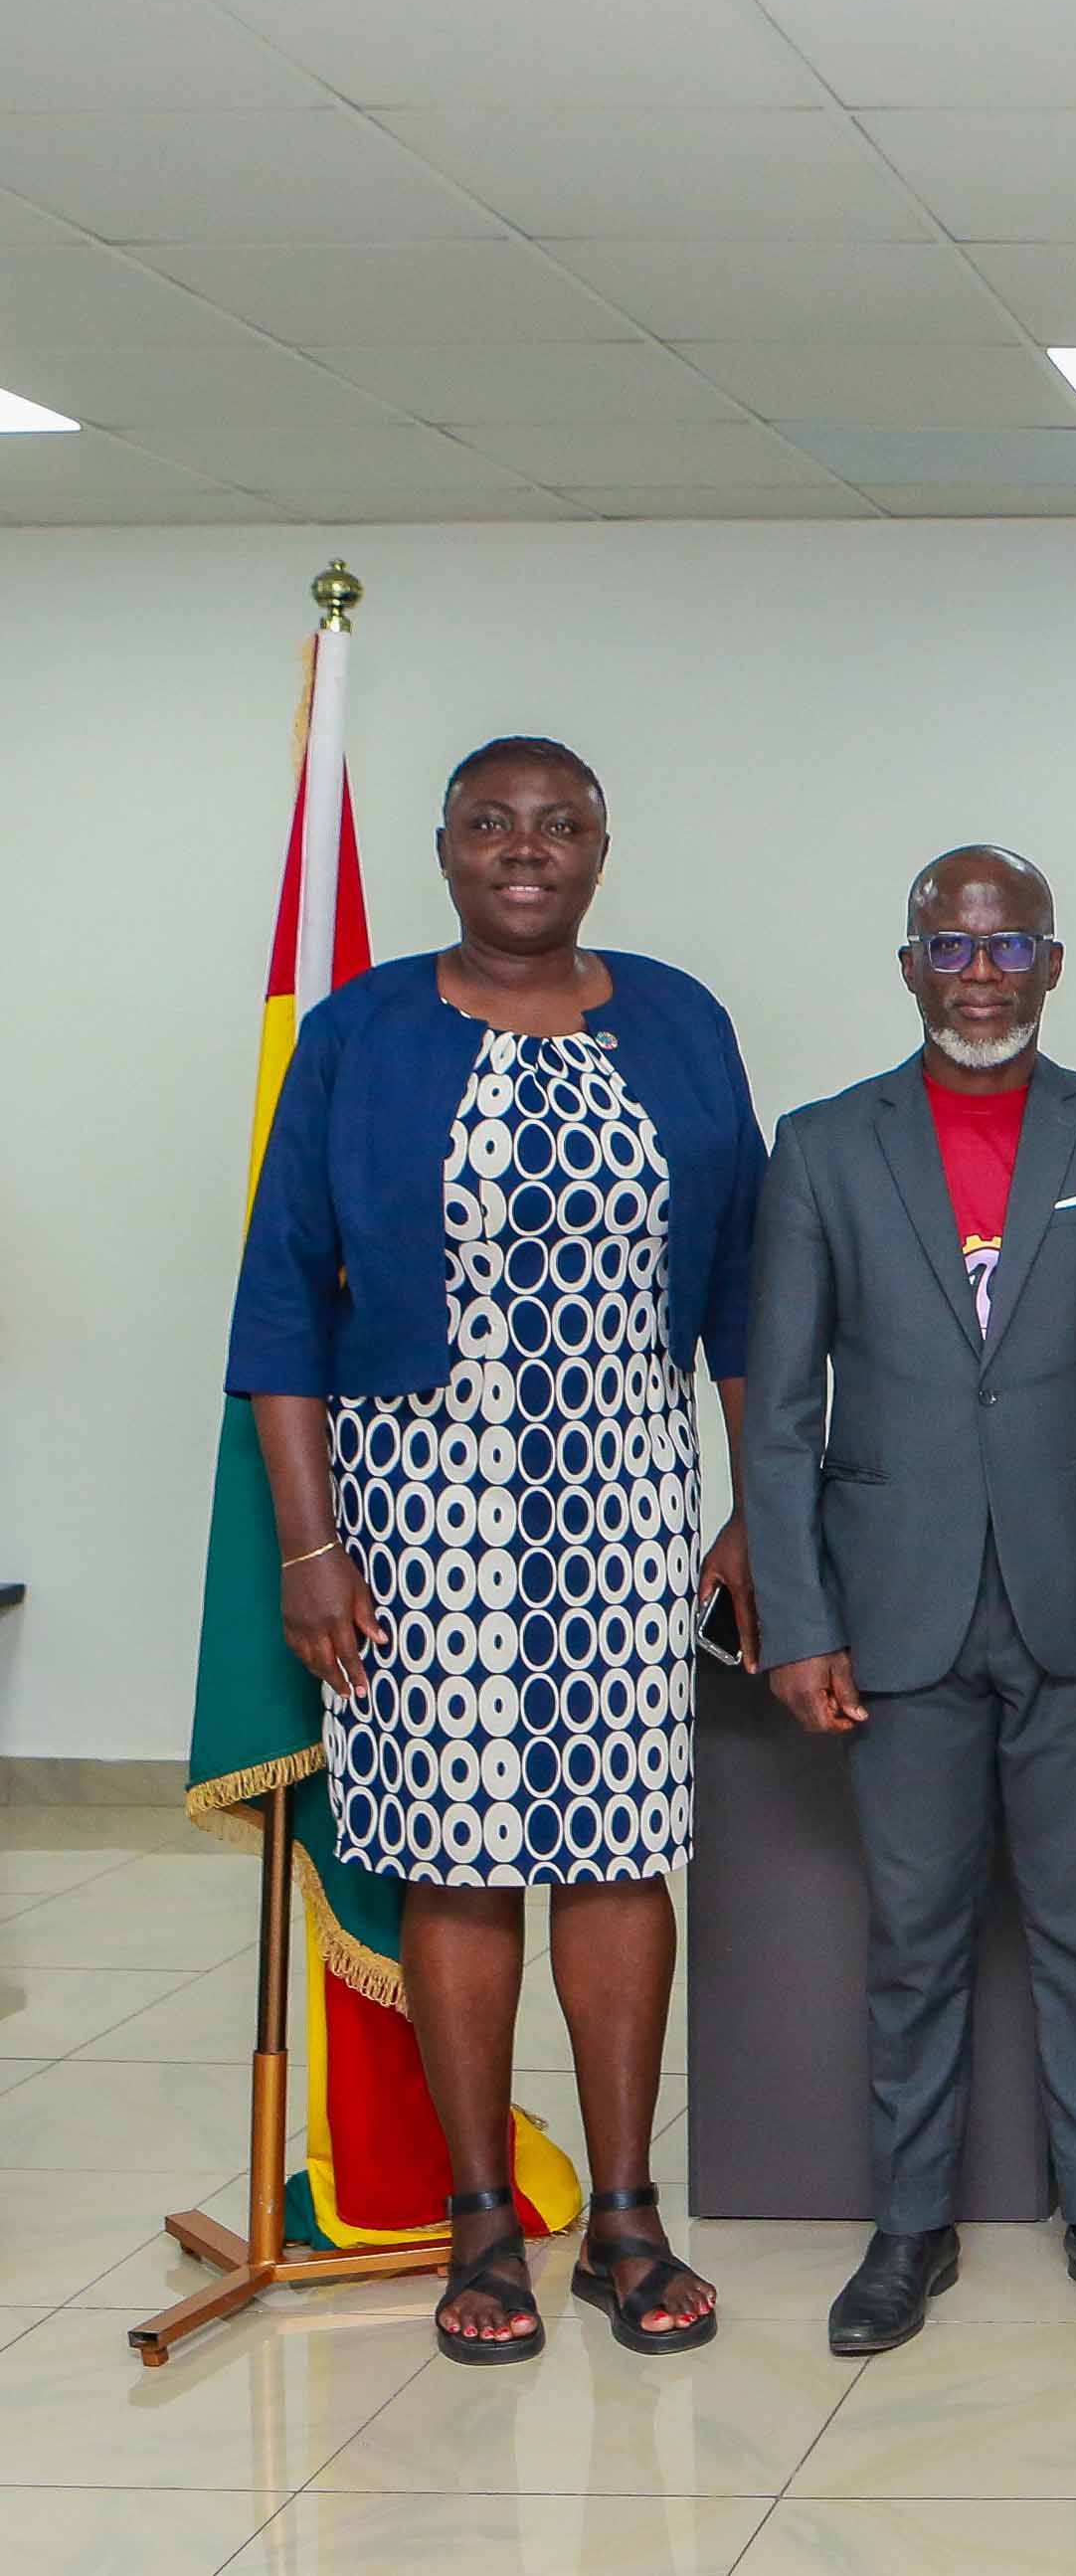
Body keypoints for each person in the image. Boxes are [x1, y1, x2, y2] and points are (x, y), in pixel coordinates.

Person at [228, 735, 761, 2365]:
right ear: (445, 848)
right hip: (414, 1499)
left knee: (617, 1846)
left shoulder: (677, 1019)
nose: (526, 848)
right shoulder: (361, 1033)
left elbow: (740, 1282)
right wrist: (313, 1544)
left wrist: (757, 1506)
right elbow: (280, 1301)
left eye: (561, 824)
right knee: (456, 1854)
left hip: (624, 1497)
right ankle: (477, 2210)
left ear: (603, 846)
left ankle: (621, 2210)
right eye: (491, 824)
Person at [744, 846, 1076, 2356]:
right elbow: (779, 1415)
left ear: (1053, 964)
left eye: (1009, 947)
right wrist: (804, 1618)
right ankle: (909, 2229)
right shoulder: (821, 1146)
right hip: (894, 1613)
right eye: (951, 947)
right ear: (907, 966)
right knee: (916, 1935)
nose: (981, 973)